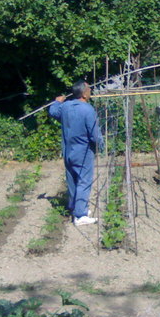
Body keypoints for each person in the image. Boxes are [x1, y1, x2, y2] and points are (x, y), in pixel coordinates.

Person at [49, 80, 104, 226]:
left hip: (68, 150)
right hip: (83, 152)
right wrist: (101, 145)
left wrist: (57, 102)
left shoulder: (65, 106)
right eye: (89, 89)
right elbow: (94, 134)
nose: (91, 91)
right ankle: (80, 215)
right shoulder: (87, 109)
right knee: (84, 181)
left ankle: (75, 207)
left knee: (72, 180)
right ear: (84, 93)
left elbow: (53, 112)